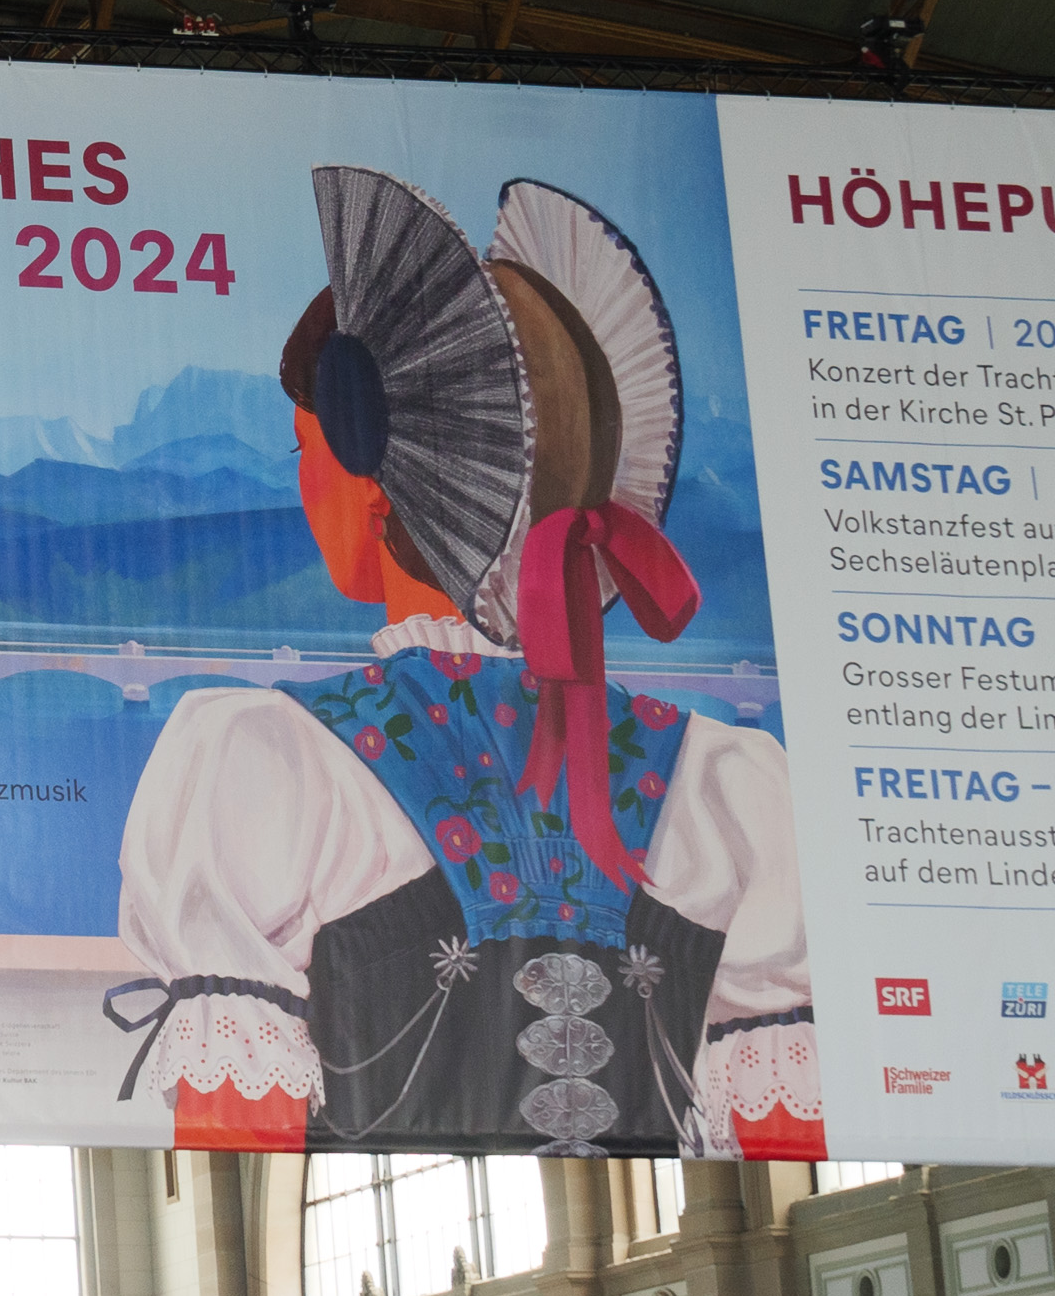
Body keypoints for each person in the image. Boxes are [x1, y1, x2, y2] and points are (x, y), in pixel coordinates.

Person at [109, 168, 820, 1160]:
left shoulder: (278, 766)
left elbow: (236, 1146)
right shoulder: (723, 785)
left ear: (371, 476)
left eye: (300, 449)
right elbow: (785, 1155)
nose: (305, 483)